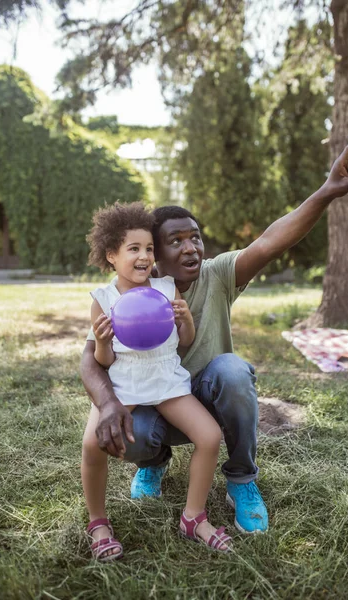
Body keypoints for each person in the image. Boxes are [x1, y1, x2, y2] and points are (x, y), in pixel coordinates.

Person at [81, 129, 348, 536]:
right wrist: (108, 397)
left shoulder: (216, 274)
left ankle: (241, 479)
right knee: (135, 435)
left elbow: (270, 242)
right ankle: (153, 463)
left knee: (233, 371)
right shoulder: (127, 294)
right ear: (153, 254)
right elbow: (92, 356)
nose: (191, 248)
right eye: (175, 241)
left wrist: (326, 192)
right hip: (150, 401)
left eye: (195, 237)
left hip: (200, 399)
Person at [83, 201, 232, 562]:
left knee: (210, 437)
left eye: (149, 248)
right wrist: (103, 341)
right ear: (112, 255)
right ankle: (98, 522)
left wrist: (185, 321)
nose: (144, 256)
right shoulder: (104, 299)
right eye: (133, 249)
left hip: (166, 379)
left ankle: (193, 517)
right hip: (125, 383)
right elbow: (103, 361)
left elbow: (182, 342)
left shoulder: (166, 288)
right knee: (91, 445)